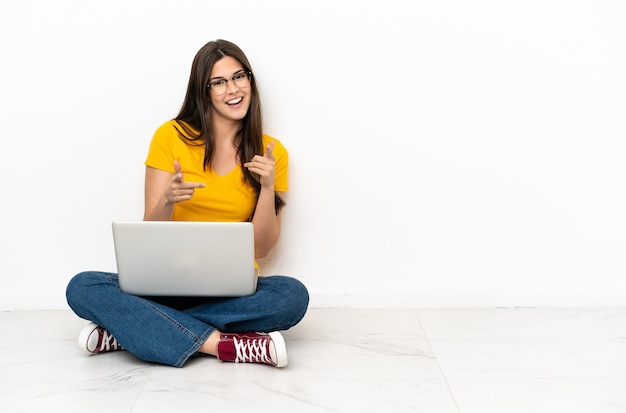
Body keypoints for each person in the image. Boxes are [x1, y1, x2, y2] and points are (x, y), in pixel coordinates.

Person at [65, 39, 309, 368]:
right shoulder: (170, 136)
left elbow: (262, 247)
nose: (233, 89)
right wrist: (167, 200)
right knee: (82, 286)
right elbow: (148, 235)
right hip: (165, 285)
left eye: (239, 77)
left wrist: (267, 188)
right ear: (202, 90)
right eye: (218, 82)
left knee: (291, 296)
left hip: (232, 290)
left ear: (250, 80)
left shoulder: (270, 152)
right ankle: (223, 346)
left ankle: (129, 330)